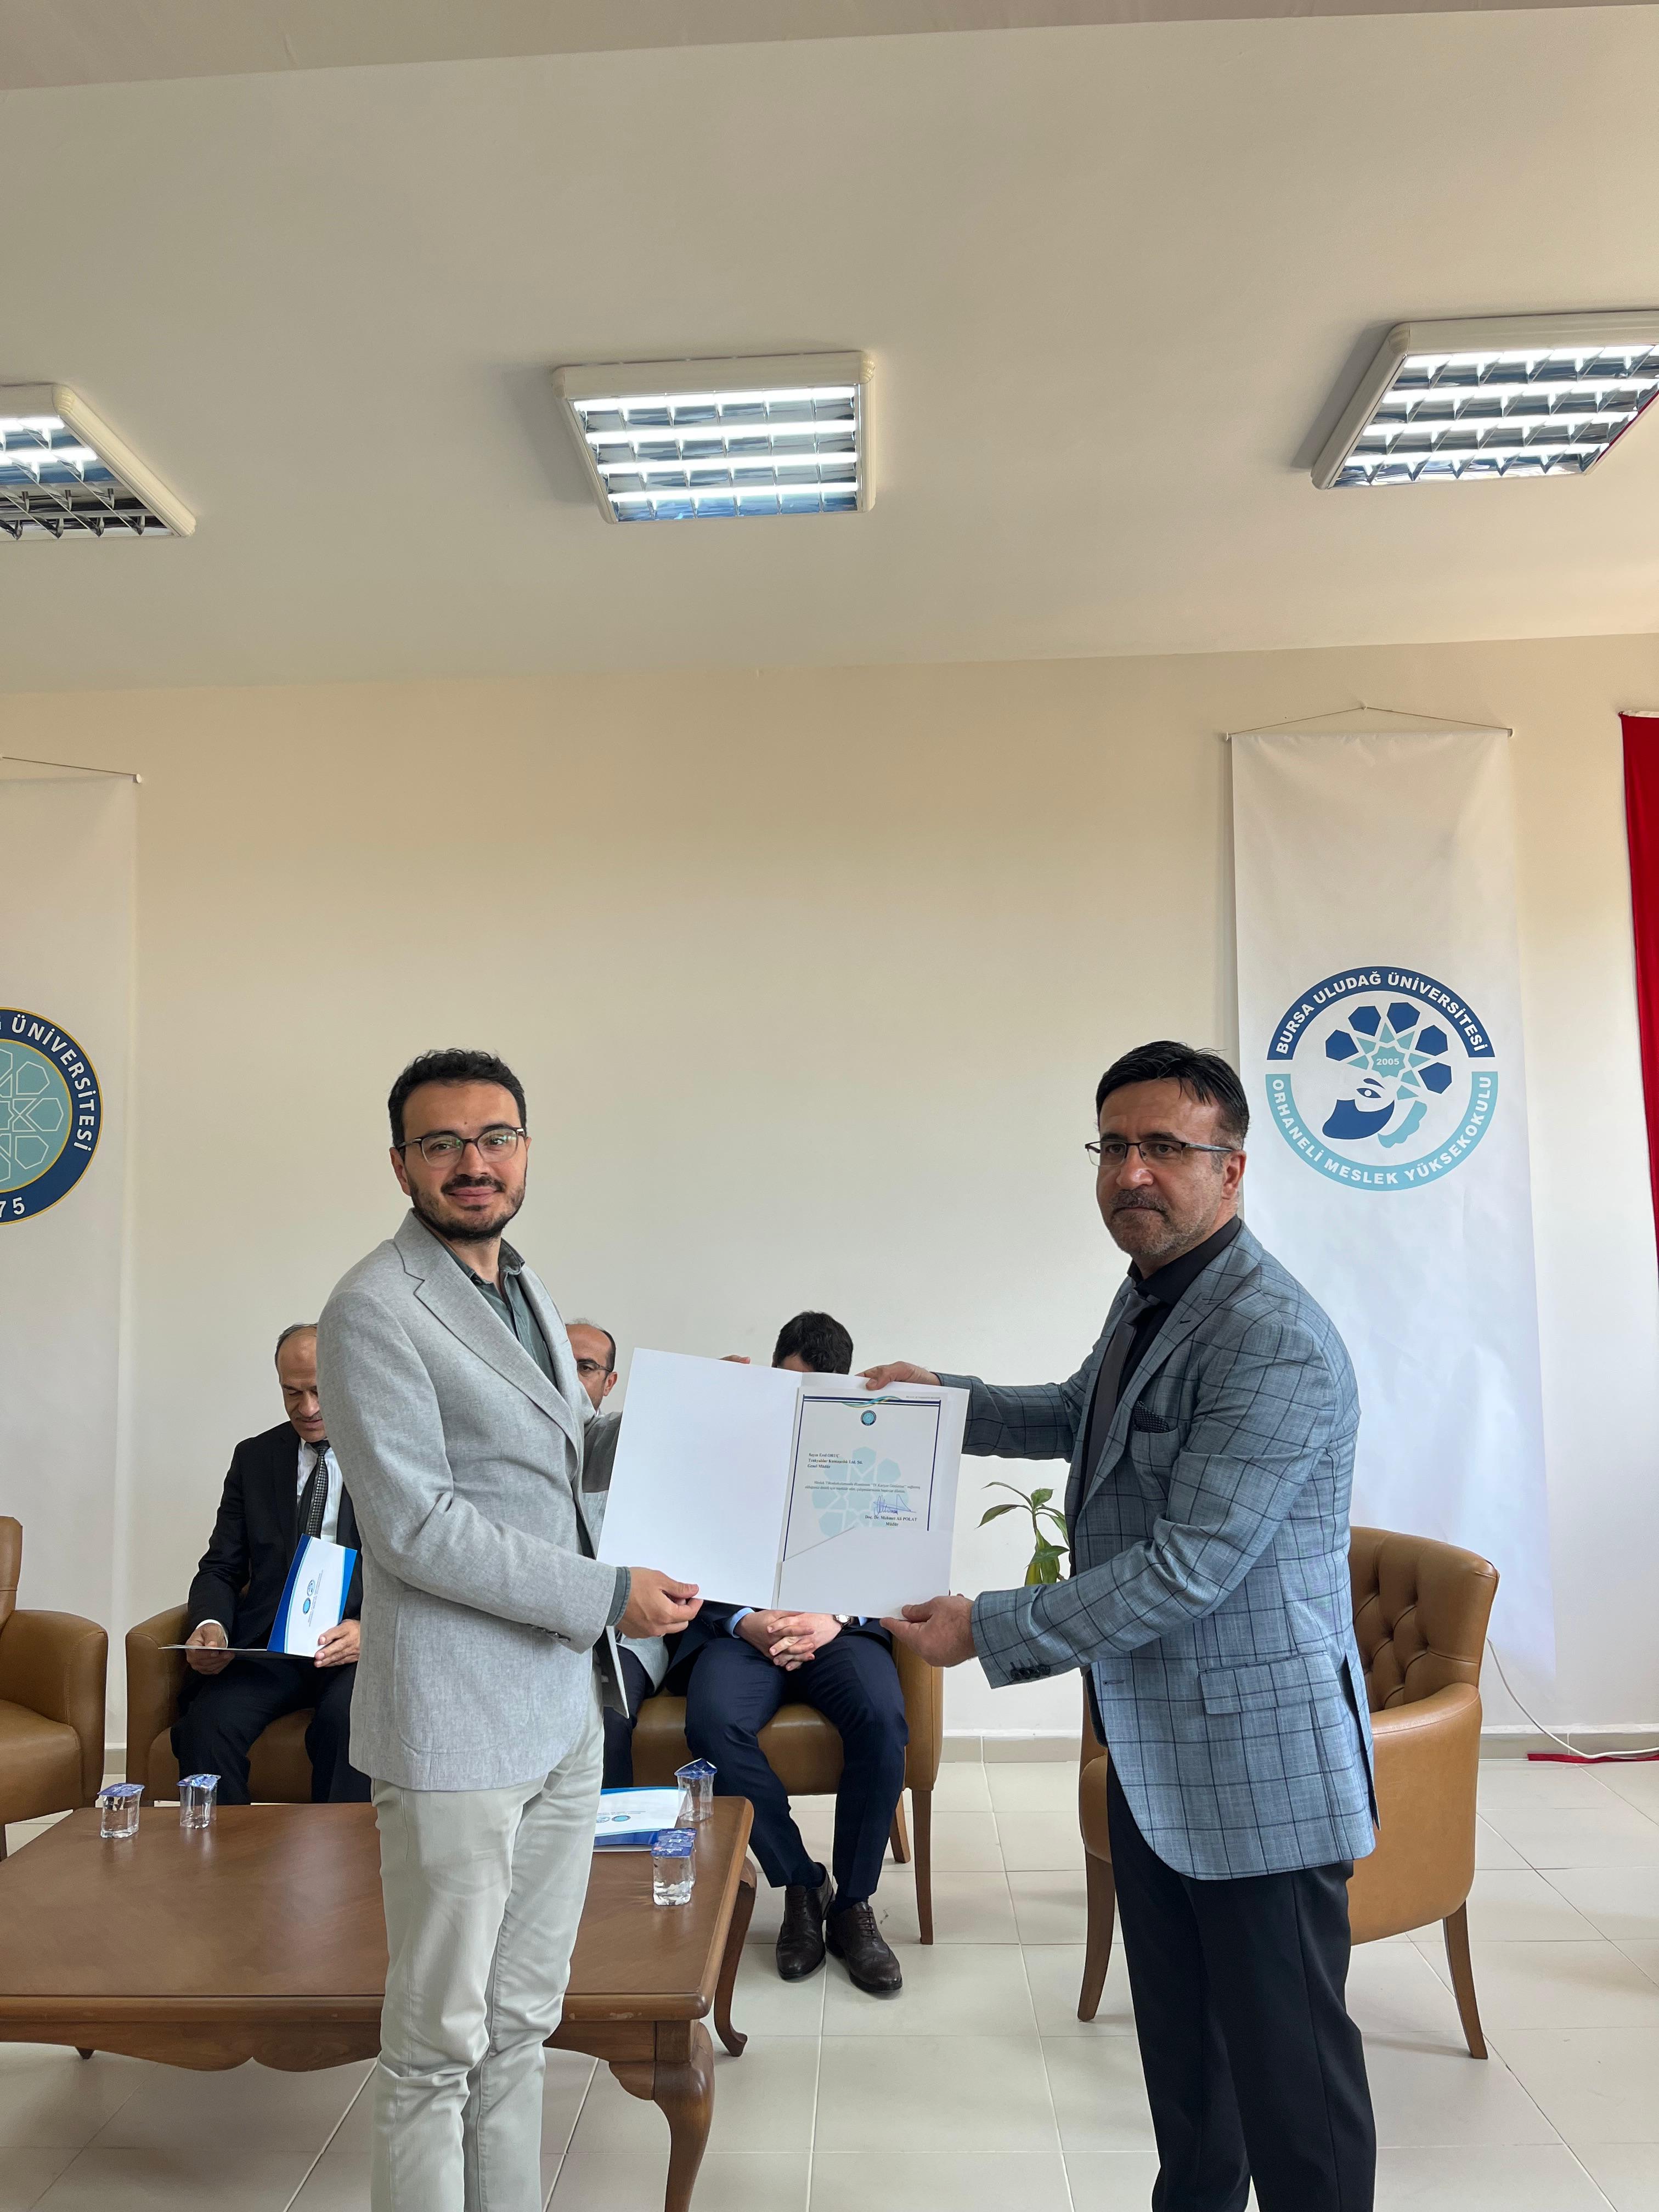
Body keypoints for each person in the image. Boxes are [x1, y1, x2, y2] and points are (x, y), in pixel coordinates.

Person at [868, 1040, 1378, 2212]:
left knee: (1294, 2091)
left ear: (1231, 1169)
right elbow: (1074, 1413)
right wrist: (940, 1404)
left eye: (1162, 1148)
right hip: (1153, 1756)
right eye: (1112, 1146)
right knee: (1189, 2079)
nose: (1130, 1173)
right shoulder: (1153, 1289)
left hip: (1254, 1767)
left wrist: (986, 1627)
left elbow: (1188, 1566)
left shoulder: (1270, 1336)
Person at [317, 1048, 700, 2212]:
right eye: (440, 1143)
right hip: (453, 1723)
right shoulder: (373, 1308)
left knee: (523, 2020)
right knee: (437, 2040)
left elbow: (553, 1462)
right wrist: (608, 1594)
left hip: (558, 1711)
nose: (472, 1162)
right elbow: (417, 1527)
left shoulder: (522, 1286)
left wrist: (701, 1426)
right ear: (401, 1165)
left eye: (494, 1138)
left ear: (526, 1151)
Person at [664, 1309, 910, 1997]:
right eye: (789, 1386)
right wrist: (744, 1621)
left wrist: (834, 1617)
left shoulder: (875, 1448)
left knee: (883, 1720)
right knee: (712, 1723)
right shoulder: (726, 1442)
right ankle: (801, 1883)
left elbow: (895, 1554)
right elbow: (682, 1537)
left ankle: (853, 1904)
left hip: (838, 1631)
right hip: (741, 1631)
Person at [173, 1322, 370, 1804]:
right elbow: (221, 1566)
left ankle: (336, 1855)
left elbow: (422, 1569)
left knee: (347, 1722)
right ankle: (225, 1852)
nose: (308, 1408)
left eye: (320, 1391)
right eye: (292, 1392)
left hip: (355, 1648)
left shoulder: (388, 1453)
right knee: (207, 1724)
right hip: (271, 1647)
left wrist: (374, 1629)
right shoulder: (255, 1458)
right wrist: (212, 1625)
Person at [566, 1321, 673, 1787]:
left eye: (585, 1368)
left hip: (622, 1635)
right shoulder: (514, 1452)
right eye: (559, 1362)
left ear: (609, 1383)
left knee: (605, 1720)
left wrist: (696, 1393)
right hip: (541, 1631)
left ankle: (615, 1834)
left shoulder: (634, 1446)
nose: (569, 1377)